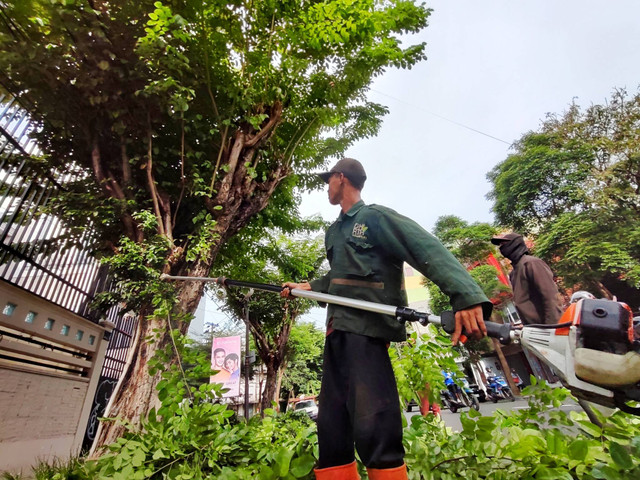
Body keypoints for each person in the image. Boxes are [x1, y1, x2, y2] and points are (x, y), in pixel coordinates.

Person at [282, 158, 491, 480]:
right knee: (331, 425)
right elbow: (340, 278)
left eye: (329, 181)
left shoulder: (375, 218)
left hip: (367, 331)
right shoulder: (335, 231)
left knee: (374, 423)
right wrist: (308, 287)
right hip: (336, 331)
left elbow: (424, 246)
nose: (327, 187)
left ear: (341, 179)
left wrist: (465, 296)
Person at [490, 232, 562, 382]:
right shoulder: (515, 272)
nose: (501, 248)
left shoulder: (531, 263)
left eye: (504, 244)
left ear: (516, 243)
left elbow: (549, 297)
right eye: (500, 246)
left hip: (550, 330)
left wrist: (552, 330)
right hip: (535, 330)